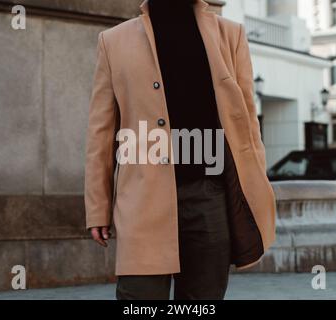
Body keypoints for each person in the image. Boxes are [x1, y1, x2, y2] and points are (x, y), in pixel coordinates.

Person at [84, 0, 276, 300]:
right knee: (139, 299)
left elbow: (248, 125)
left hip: (209, 196)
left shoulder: (230, 35)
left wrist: (254, 188)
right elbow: (101, 134)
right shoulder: (113, 41)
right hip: (141, 199)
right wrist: (98, 207)